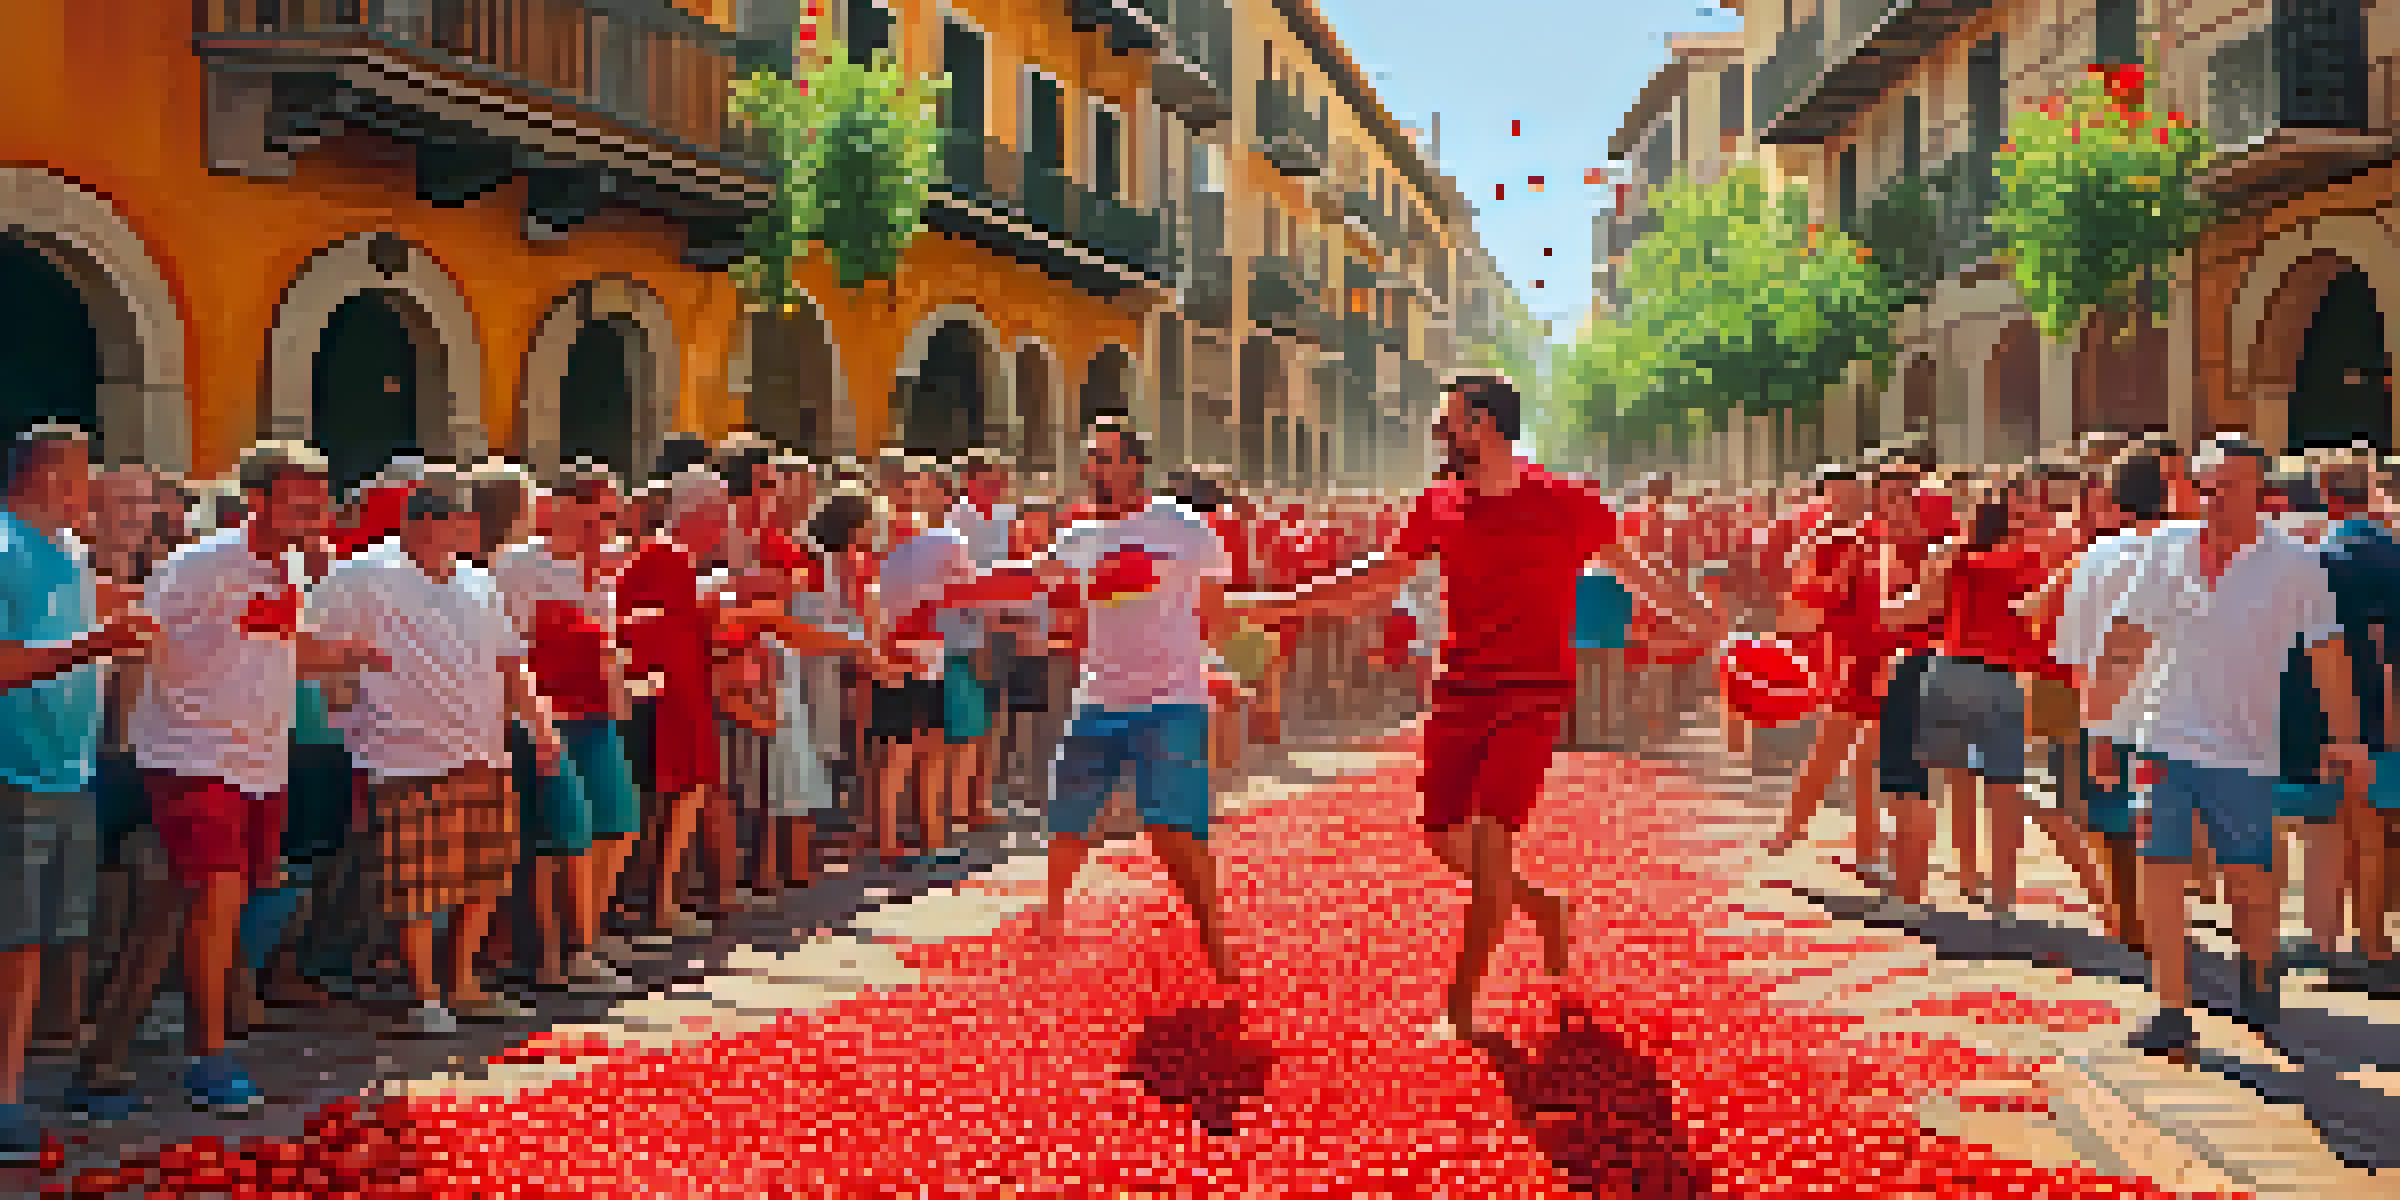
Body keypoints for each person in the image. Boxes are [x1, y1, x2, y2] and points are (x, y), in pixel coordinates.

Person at [1241, 375, 1719, 1038]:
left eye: (1449, 421)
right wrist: (1282, 605)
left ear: (1485, 425)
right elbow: (1378, 578)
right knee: (1443, 839)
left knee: (1491, 842)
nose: (1439, 433)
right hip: (1460, 690)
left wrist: (1697, 616)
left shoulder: (1567, 503)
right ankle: (1544, 907)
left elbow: (1634, 568)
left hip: (1532, 693)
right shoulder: (1437, 504)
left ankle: (1461, 1007)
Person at [2077, 435, 2366, 1057]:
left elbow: (2328, 652)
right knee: (2160, 865)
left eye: (2226, 486)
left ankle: (2258, 976)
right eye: (2204, 485)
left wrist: (2347, 739)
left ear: (2260, 492)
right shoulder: (2165, 549)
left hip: (2243, 749)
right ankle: (2171, 1007)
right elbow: (2125, 638)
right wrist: (2101, 728)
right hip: (2161, 737)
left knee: (2248, 881)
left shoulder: (2293, 562)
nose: (2211, 498)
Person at [306, 466, 562, 1034]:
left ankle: (463, 984)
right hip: (403, 755)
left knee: (484, 876)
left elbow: (509, 663)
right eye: (462, 518)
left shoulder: (479, 581)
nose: (472, 527)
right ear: (427, 523)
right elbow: (303, 646)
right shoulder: (363, 576)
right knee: (416, 885)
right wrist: (344, 692)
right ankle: (425, 997)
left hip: (480, 749)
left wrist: (540, 724)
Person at [1001, 421, 1241, 985]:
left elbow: (1215, 613)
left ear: (1135, 465)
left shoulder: (1184, 530)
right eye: (1090, 459)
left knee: (1173, 830)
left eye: (1106, 459)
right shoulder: (1075, 538)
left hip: (1170, 699)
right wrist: (963, 591)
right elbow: (1054, 596)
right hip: (1100, 697)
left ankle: (1215, 937)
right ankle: (1052, 919)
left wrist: (1214, 666)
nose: (1095, 470)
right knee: (1066, 819)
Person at [0, 425, 159, 1161]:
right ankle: (4, 1101)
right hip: (13, 773)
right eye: (80, 473)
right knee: (14, 943)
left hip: (67, 774)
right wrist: (93, 647)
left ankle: (13, 1095)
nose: (89, 486)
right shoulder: (4, 547)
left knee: (33, 943)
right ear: (44, 474)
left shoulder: (65, 548)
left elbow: (93, 601)